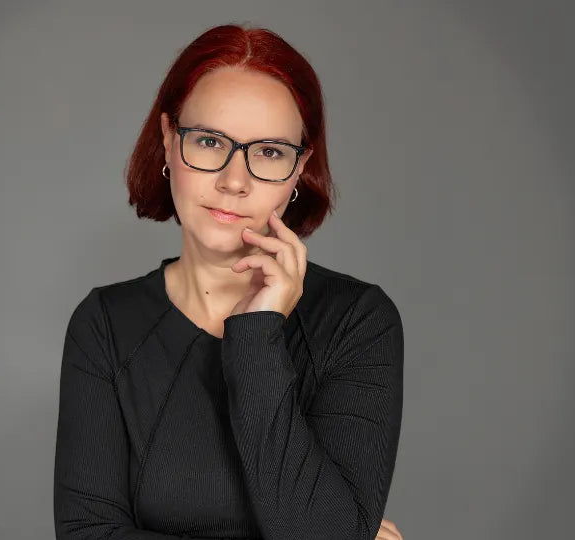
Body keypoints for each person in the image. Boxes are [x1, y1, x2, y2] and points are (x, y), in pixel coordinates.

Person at [53, 23, 405, 540]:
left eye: (268, 152)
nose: (233, 181)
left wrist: (258, 336)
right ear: (169, 142)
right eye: (210, 141)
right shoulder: (106, 326)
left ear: (298, 170)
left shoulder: (359, 322)